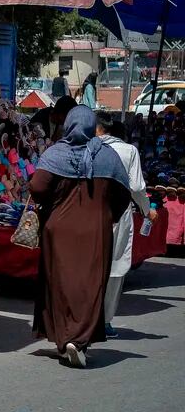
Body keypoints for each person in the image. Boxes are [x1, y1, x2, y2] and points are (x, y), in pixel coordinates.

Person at [30, 106, 130, 368]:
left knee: (60, 284)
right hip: (96, 231)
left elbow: (37, 187)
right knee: (90, 284)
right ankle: (78, 341)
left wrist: (53, 203)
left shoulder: (55, 153)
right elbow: (122, 195)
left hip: (58, 230)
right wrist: (108, 215)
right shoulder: (108, 157)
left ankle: (65, 340)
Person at [95, 112, 156, 338]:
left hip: (87, 213)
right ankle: (105, 320)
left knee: (89, 265)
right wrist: (146, 210)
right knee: (114, 268)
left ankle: (87, 318)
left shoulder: (87, 147)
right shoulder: (129, 151)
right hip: (118, 215)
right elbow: (138, 188)